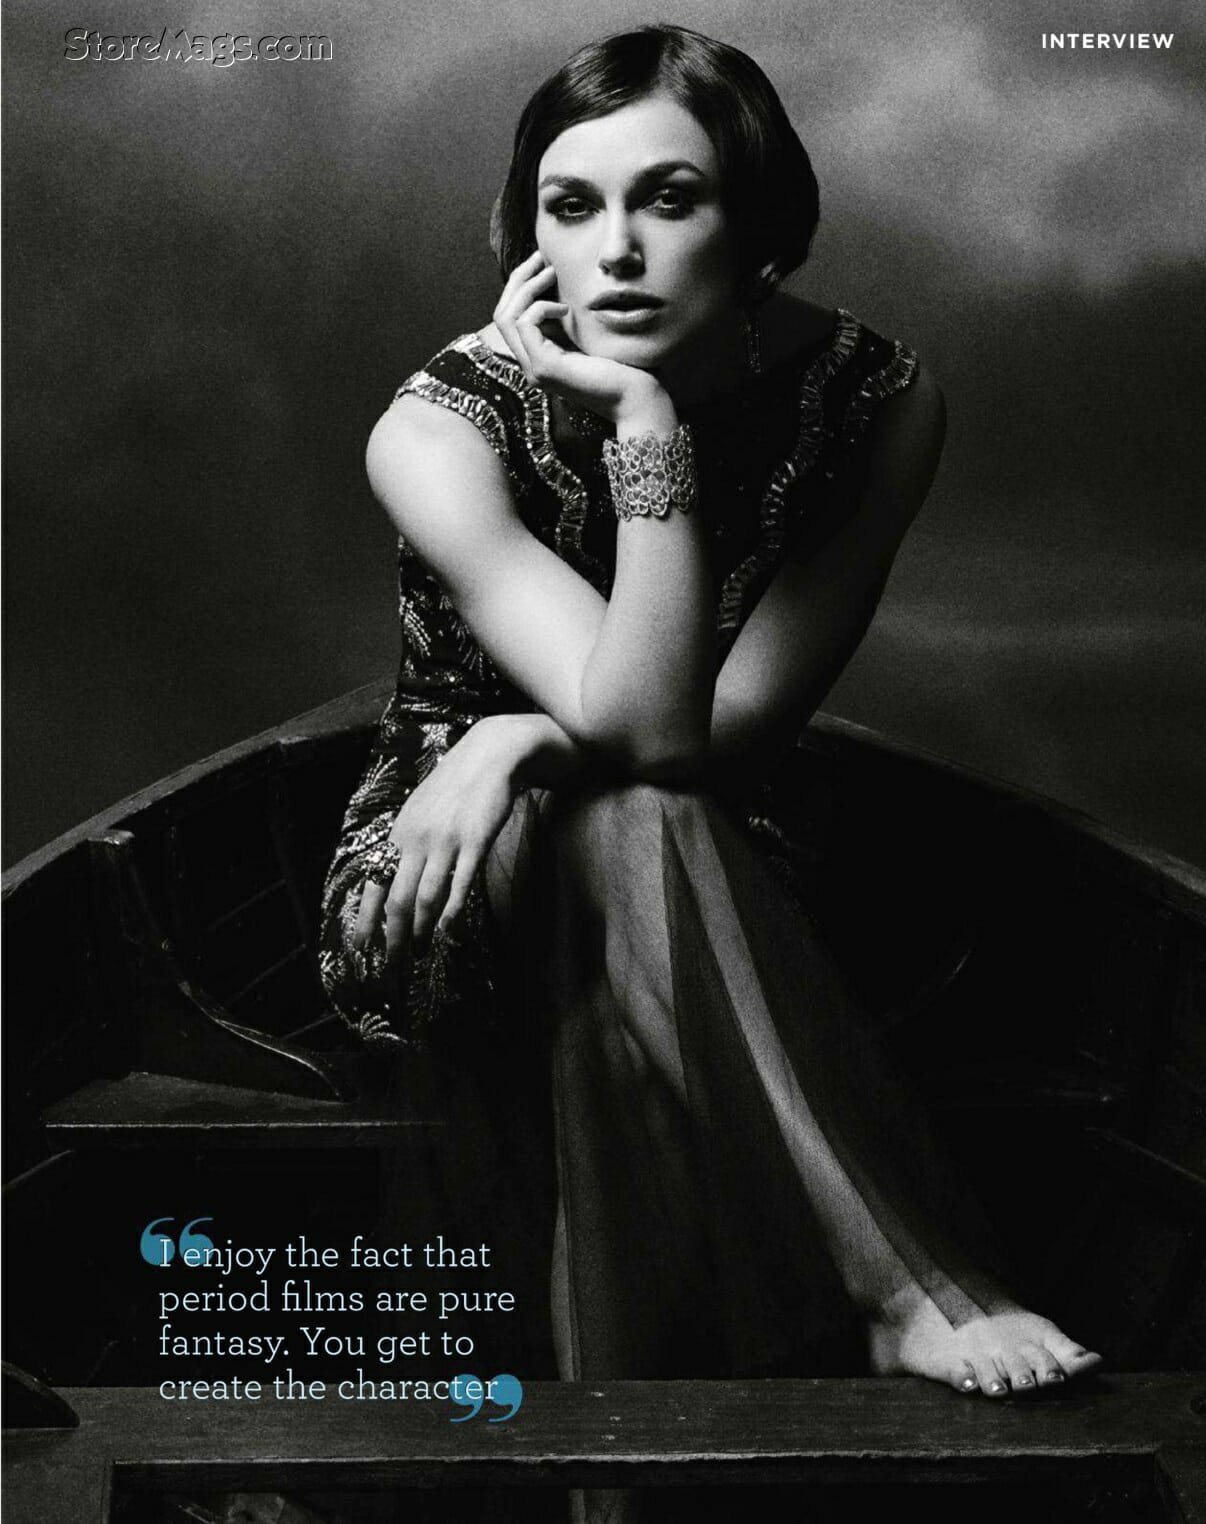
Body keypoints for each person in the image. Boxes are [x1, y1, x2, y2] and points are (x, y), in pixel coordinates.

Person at [319, 18, 1101, 1472]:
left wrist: (519, 735)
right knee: (625, 812)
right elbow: (643, 727)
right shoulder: (439, 427)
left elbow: (712, 741)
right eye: (570, 207)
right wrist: (643, 433)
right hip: (437, 865)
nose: (614, 250)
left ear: (758, 228)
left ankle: (624, 1466)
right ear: (529, 235)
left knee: (641, 818)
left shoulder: (875, 402)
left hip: (722, 835)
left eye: (668, 200)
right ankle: (898, 1291)